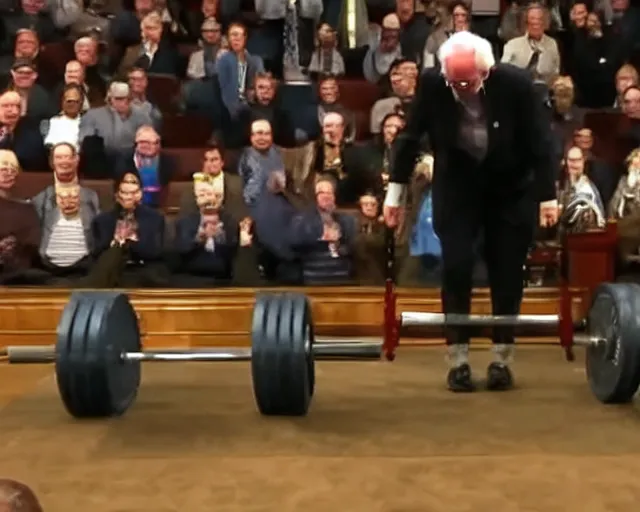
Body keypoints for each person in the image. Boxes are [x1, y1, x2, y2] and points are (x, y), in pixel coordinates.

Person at [383, 31, 559, 393]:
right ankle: (458, 358)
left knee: (507, 271)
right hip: (459, 186)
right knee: (457, 265)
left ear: (486, 72)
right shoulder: (434, 85)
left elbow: (541, 142)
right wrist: (394, 194)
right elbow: (409, 138)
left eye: (468, 82)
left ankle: (501, 358)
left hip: (510, 189)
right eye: (454, 82)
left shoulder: (517, 86)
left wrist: (547, 197)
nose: (461, 88)